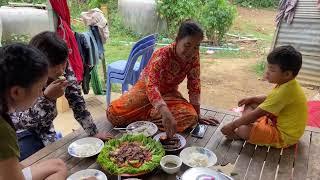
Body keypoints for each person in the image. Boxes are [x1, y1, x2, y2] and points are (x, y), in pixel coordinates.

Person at [107, 20, 218, 138]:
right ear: (177, 40)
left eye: (196, 46)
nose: (191, 51)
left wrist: (198, 114)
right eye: (187, 45)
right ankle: (156, 115)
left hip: (169, 94)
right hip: (145, 91)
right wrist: (165, 112)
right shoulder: (162, 55)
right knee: (114, 114)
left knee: (191, 117)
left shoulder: (194, 57)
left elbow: (194, 85)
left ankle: (151, 116)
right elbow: (151, 86)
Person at [10, 31, 112, 160]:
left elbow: (77, 101)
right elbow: (18, 121)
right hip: (17, 132)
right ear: (38, 62)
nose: (60, 70)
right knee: (30, 161)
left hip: (46, 129)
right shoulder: (23, 74)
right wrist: (47, 99)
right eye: (54, 66)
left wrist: (94, 132)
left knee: (61, 158)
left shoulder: (62, 64)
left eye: (63, 63)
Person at [0, 43, 67, 179]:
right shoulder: (3, 131)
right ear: (17, 92)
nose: (41, 93)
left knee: (58, 165)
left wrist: (19, 169)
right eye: (40, 88)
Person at [221, 45, 307, 148]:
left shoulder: (285, 91)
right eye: (268, 67)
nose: (267, 72)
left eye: (272, 70)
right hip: (275, 121)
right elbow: (269, 98)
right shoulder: (288, 84)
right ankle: (249, 125)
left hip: (283, 136)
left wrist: (232, 125)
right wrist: (253, 98)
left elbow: (256, 114)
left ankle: (242, 132)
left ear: (287, 74)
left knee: (243, 129)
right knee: (251, 104)